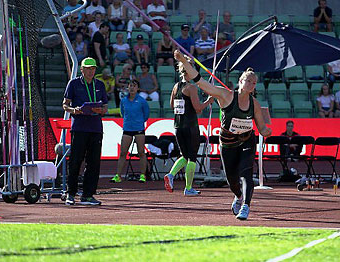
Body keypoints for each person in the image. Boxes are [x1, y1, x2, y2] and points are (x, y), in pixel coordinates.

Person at [174, 50, 272, 220]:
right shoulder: (225, 95)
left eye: (254, 83)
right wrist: (183, 60)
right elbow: (200, 82)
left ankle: (246, 206)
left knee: (246, 173)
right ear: (240, 81)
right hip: (227, 143)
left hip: (247, 141)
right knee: (232, 180)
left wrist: (266, 131)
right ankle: (238, 196)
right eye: (248, 80)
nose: (250, 84)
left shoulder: (254, 104)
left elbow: (261, 127)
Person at [62, 57, 108, 205]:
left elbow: (105, 107)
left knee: (94, 162)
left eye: (93, 68)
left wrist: (100, 110)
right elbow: (65, 105)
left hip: (95, 128)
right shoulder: (74, 83)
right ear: (82, 70)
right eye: (87, 68)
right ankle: (70, 193)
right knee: (76, 160)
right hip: (79, 127)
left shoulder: (100, 84)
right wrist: (74, 110)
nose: (90, 71)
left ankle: (88, 195)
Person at [163, 61, 213, 196]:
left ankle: (171, 175)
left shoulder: (176, 86)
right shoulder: (191, 88)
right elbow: (198, 109)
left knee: (184, 156)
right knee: (191, 157)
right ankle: (189, 188)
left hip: (178, 126)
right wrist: (208, 102)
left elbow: (172, 105)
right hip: (190, 126)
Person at [111, 79, 150, 183]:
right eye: (130, 86)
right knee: (123, 153)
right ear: (127, 87)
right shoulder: (123, 101)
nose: (132, 88)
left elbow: (146, 115)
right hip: (127, 128)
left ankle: (143, 175)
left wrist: (139, 122)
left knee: (141, 152)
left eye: (134, 86)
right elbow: (123, 113)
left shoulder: (142, 101)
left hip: (139, 129)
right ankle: (118, 176)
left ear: (137, 88)